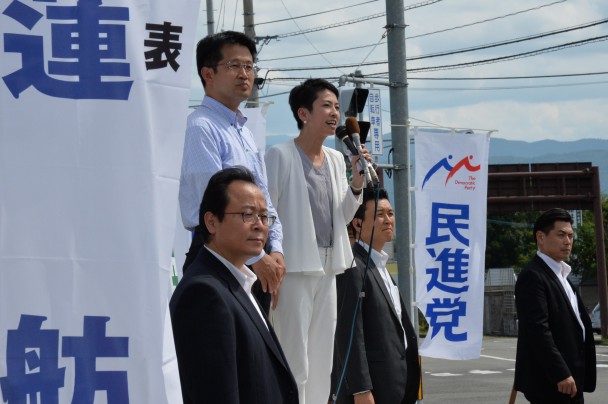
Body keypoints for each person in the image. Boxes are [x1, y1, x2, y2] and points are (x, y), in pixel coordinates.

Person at [265, 78, 366, 404]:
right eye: (326, 105)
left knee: (323, 359)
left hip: (330, 266)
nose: (335, 112)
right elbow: (267, 214)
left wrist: (356, 182)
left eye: (337, 106)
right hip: (293, 268)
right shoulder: (279, 156)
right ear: (303, 113)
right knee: (295, 358)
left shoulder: (337, 160)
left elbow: (344, 214)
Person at [170, 167, 298, 403]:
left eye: (264, 216)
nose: (260, 225)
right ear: (211, 222)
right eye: (247, 215)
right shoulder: (203, 294)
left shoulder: (242, 283)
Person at [178, 30, 284, 312]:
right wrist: (258, 256)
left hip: (252, 256)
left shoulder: (244, 132)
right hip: (219, 257)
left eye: (249, 66)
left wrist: (276, 249)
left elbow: (264, 199)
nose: (244, 74)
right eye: (234, 66)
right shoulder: (201, 127)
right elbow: (211, 206)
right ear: (207, 73)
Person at [331, 187, 420, 404]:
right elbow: (349, 332)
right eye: (379, 215)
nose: (388, 220)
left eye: (390, 213)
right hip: (372, 391)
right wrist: (361, 389)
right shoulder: (352, 267)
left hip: (397, 385)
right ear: (358, 223)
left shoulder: (379, 266)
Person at [514, 208, 596, 404]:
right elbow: (538, 329)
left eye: (570, 236)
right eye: (561, 235)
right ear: (540, 237)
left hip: (572, 381)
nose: (568, 241)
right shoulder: (533, 276)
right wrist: (560, 373)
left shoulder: (562, 275)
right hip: (553, 384)